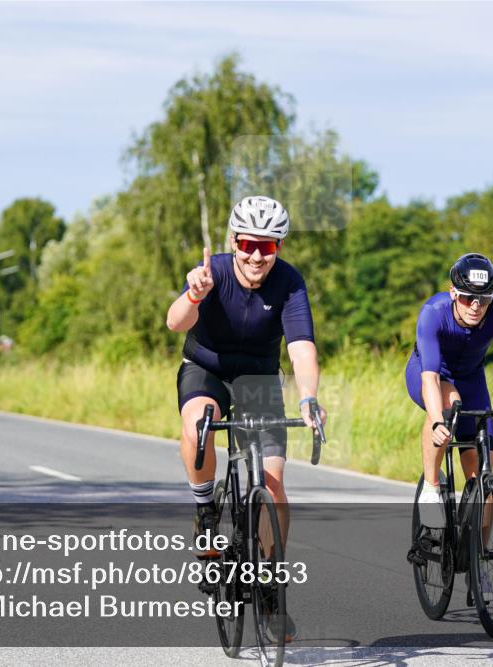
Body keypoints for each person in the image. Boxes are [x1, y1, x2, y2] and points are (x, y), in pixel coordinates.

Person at [166, 195, 326, 643]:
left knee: (272, 485)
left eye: (269, 247)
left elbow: (301, 348)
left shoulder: (289, 284)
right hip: (207, 368)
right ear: (234, 242)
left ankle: (272, 588)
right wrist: (195, 293)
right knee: (199, 424)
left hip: (258, 378)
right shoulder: (212, 272)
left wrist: (309, 398)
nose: (257, 255)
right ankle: (204, 509)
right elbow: (175, 322)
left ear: (278, 249)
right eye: (249, 244)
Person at [405, 254, 493, 593]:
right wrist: (438, 419)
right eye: (468, 297)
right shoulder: (434, 313)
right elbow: (429, 377)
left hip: (472, 380)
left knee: (482, 476)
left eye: (483, 298)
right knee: (447, 403)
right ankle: (431, 487)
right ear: (454, 293)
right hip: (429, 374)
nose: (475, 305)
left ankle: (476, 562)